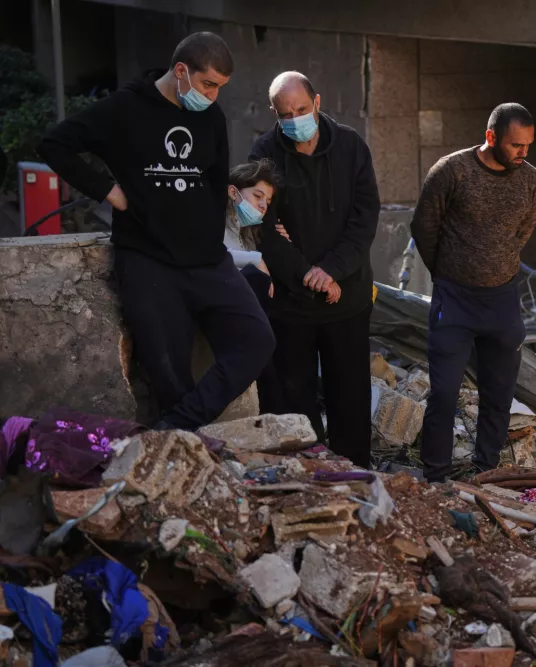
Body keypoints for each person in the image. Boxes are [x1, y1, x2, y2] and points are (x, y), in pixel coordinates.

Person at [38, 32, 275, 430]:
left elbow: (216, 183)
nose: (213, 96)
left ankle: (177, 428)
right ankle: (184, 447)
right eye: (208, 84)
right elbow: (54, 144)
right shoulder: (123, 109)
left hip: (207, 260)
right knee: (168, 372)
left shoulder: (211, 118)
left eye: (220, 87)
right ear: (181, 71)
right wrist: (109, 191)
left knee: (256, 341)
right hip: (148, 262)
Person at [249, 71, 380, 468]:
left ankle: (355, 472)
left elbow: (364, 219)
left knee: (350, 395)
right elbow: (263, 228)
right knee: (295, 397)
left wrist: (333, 271)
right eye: (285, 113)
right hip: (292, 304)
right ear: (274, 112)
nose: (295, 119)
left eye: (301, 110)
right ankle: (308, 474)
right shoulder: (265, 153)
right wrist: (310, 275)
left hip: (348, 296)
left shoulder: (351, 147)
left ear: (317, 102)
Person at [411, 103, 536, 483]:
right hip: (454, 299)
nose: (523, 152)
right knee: (444, 393)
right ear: (490, 137)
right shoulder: (452, 171)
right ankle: (435, 478)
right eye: (516, 145)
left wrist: (494, 265)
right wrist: (448, 271)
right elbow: (423, 226)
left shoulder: (532, 180)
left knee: (499, 394)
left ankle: (486, 473)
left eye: (528, 145)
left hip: (502, 300)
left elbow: (522, 233)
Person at [223, 159, 285, 414]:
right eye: (257, 195)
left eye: (267, 202)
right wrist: (256, 260)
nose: (262, 205)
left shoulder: (246, 232)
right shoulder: (214, 219)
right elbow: (213, 254)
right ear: (233, 191)